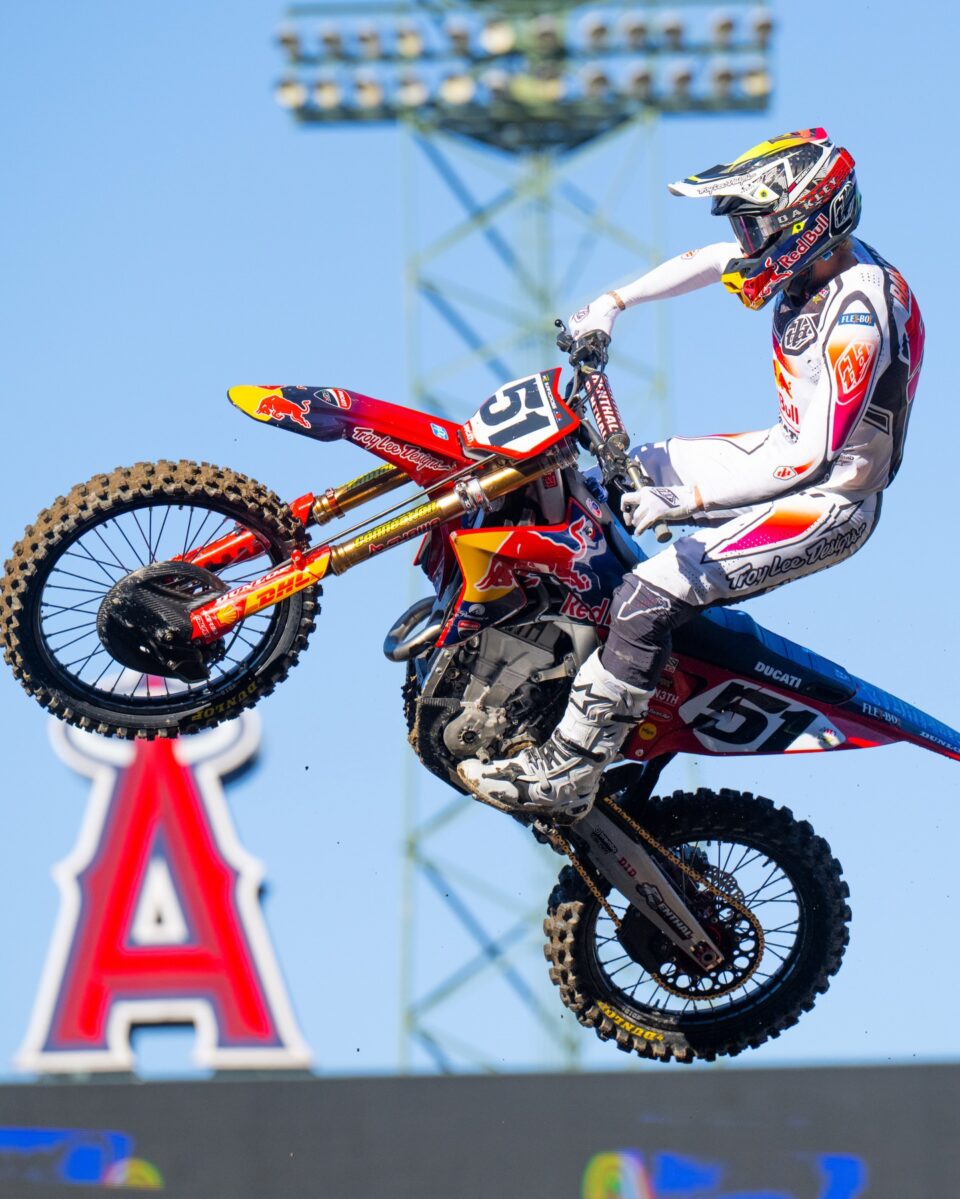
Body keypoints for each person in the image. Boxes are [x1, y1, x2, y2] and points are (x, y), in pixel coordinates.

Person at [458, 127, 925, 822]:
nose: (744, 240)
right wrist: (613, 304)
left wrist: (685, 499)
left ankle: (572, 767)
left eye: (755, 224)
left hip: (829, 500)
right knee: (607, 481)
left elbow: (812, 459)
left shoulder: (858, 316)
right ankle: (556, 653)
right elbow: (712, 261)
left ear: (807, 221)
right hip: (781, 453)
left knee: (649, 595)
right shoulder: (811, 264)